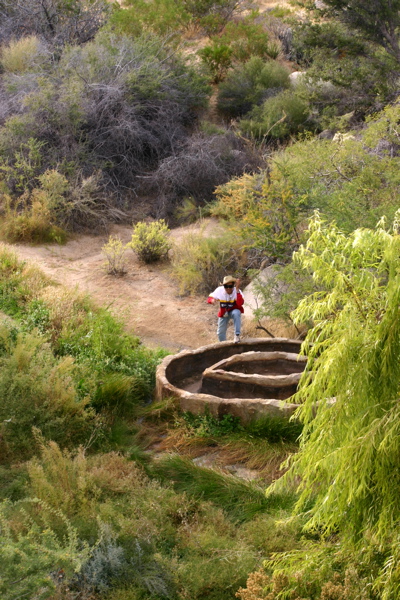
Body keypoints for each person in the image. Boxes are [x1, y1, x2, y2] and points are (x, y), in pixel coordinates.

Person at [207, 275, 244, 343]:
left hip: (233, 311)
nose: (228, 288)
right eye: (226, 286)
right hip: (224, 312)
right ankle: (224, 345)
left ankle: (237, 335)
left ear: (233, 285)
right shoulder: (219, 290)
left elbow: (240, 303)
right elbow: (209, 298)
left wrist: (237, 290)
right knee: (220, 333)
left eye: (230, 286)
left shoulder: (237, 291)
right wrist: (212, 300)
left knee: (236, 313)